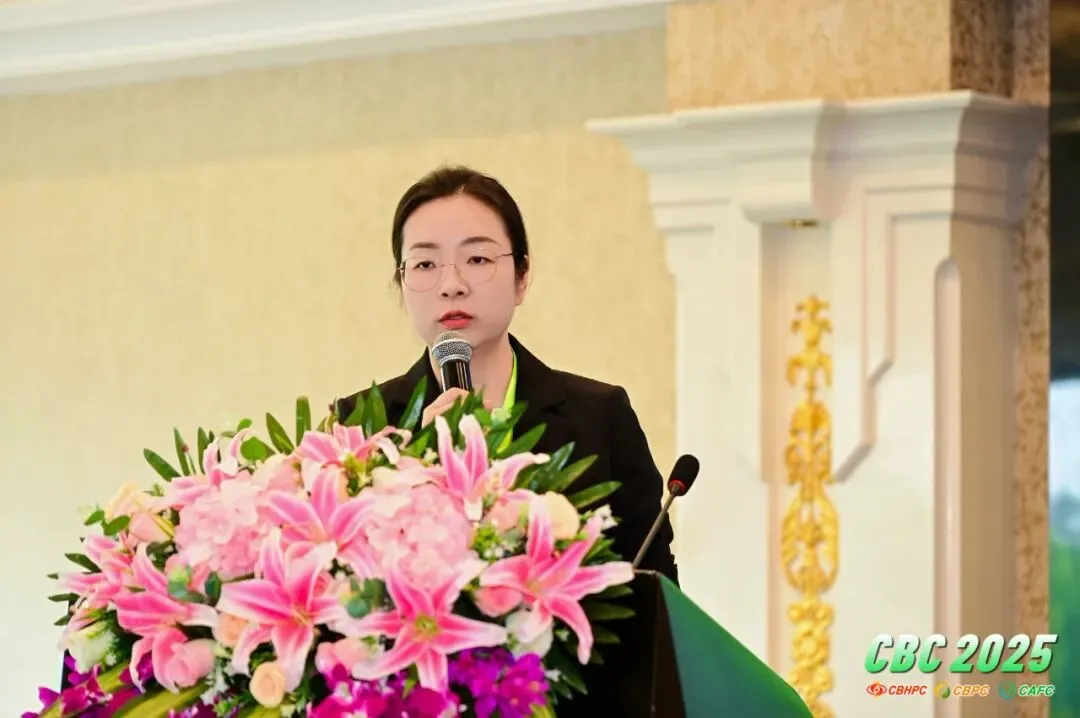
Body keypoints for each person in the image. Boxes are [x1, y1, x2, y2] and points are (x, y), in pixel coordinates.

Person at [334, 165, 677, 714]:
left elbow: (655, 603)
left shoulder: (599, 418)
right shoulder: (360, 426)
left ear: (521, 277)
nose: (451, 284)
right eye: (424, 263)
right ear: (402, 284)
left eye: (477, 258)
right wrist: (416, 464)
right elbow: (341, 606)